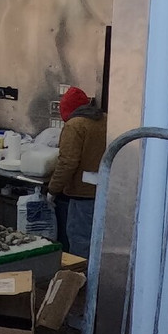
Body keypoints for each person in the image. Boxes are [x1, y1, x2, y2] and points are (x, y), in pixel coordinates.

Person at [47, 87, 107, 257]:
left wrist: (52, 190)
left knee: (80, 239)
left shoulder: (75, 126)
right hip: (105, 190)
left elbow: (67, 162)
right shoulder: (105, 119)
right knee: (99, 240)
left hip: (83, 193)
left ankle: (79, 278)